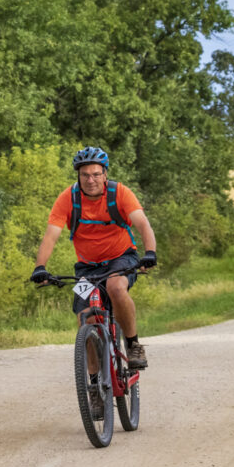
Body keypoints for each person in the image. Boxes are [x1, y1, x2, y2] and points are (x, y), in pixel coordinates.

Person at [30, 147, 157, 372]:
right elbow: (51, 236)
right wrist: (40, 267)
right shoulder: (68, 198)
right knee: (85, 318)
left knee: (116, 287)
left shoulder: (119, 193)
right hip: (86, 268)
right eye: (85, 175)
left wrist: (150, 253)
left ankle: (133, 345)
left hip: (121, 258)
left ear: (105, 174)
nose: (91, 180)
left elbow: (142, 223)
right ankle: (95, 382)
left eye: (96, 174)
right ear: (78, 176)